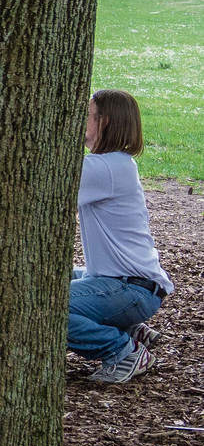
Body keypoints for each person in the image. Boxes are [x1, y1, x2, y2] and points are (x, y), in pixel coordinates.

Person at [68, 90, 172, 384]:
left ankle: (122, 349)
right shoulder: (116, 164)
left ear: (105, 122)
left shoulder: (103, 168)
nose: (80, 123)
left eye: (87, 116)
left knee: (46, 306)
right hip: (119, 281)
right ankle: (126, 327)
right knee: (49, 279)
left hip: (129, 288)